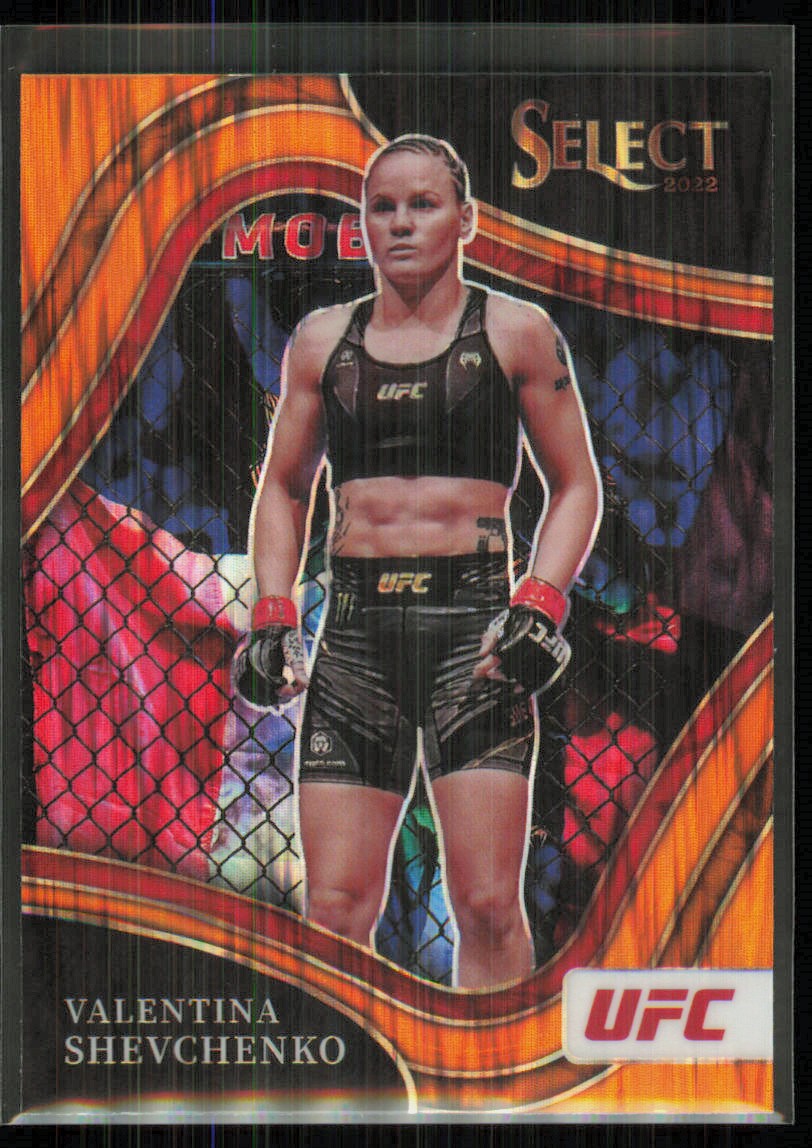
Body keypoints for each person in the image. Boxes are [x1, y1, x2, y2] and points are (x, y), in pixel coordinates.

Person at [234, 135, 601, 989]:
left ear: (465, 218)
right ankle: (340, 1069)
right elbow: (283, 486)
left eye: (423, 204)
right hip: (355, 642)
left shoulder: (516, 331)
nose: (400, 223)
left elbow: (577, 484)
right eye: (383, 207)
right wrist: (273, 613)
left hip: (474, 641)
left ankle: (493, 1071)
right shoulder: (321, 340)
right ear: (363, 222)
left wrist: (540, 601)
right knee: (334, 906)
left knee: (487, 904)